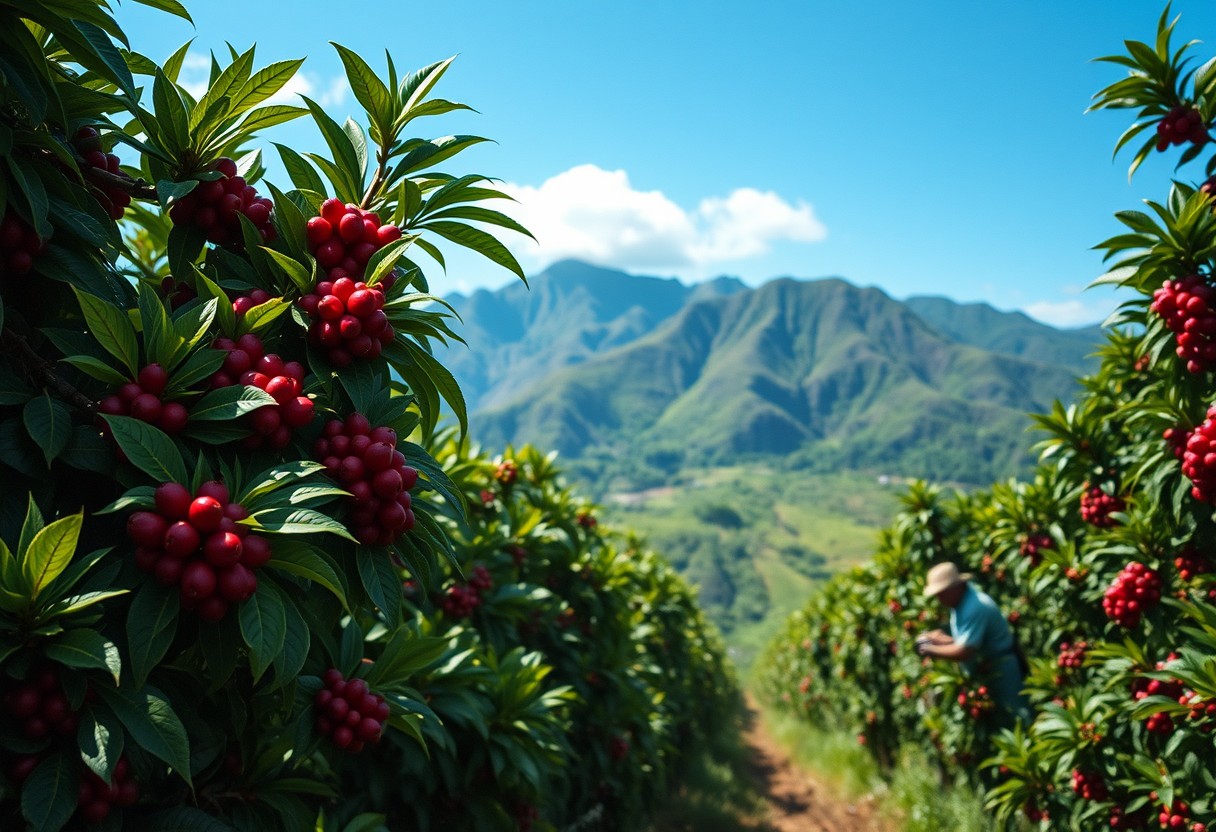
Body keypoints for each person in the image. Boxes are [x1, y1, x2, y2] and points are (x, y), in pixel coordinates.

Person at [914, 562, 1030, 726]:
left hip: (1003, 669)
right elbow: (970, 641)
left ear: (955, 587)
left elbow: (965, 651)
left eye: (941, 593)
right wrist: (940, 640)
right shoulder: (960, 605)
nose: (938, 599)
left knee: (1019, 718)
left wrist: (929, 649)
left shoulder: (974, 607)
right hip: (990, 668)